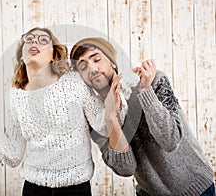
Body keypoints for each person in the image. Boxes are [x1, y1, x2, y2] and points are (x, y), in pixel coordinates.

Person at [0, 27, 122, 196]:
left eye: (43, 40)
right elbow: (13, 156)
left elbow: (102, 126)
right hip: (33, 189)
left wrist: (115, 99)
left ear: (54, 56)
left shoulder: (75, 82)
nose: (34, 41)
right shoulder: (15, 97)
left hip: (76, 188)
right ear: (21, 55)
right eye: (29, 39)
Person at [70, 37, 215, 196]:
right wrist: (112, 118)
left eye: (96, 59)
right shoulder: (95, 115)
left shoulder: (153, 81)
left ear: (112, 62)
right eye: (83, 66)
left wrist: (145, 91)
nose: (92, 69)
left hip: (196, 188)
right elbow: (125, 168)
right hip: (149, 192)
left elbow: (171, 140)